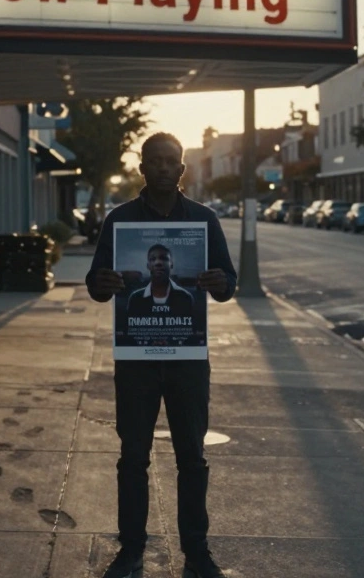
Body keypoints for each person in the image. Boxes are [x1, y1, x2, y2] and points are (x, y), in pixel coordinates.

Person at [86, 132, 237, 578]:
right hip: (136, 362)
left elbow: (229, 283)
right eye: (156, 161)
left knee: (192, 455)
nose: (164, 168)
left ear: (183, 168)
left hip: (188, 361)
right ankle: (131, 549)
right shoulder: (119, 220)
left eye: (172, 161)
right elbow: (96, 283)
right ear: (142, 167)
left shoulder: (204, 220)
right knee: (133, 456)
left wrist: (218, 283)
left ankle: (197, 551)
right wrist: (105, 284)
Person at [126, 244, 197, 318]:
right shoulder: (135, 299)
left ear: (171, 264)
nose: (158, 263)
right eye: (153, 259)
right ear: (148, 266)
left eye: (164, 258)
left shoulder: (185, 297)